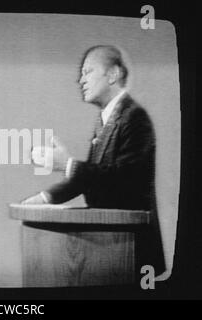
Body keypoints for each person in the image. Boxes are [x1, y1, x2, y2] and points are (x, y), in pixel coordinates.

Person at [23, 45, 165, 273]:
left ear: (113, 74)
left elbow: (126, 178)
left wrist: (68, 165)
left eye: (87, 72)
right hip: (109, 243)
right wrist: (43, 198)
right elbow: (90, 177)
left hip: (130, 248)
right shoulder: (106, 119)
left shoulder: (135, 117)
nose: (80, 80)